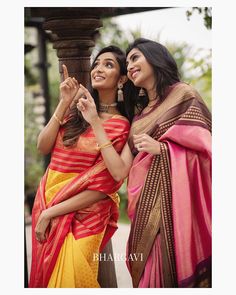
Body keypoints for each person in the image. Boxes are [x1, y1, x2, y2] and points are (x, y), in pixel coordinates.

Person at [78, 38, 211, 288]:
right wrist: (94, 120)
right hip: (144, 212)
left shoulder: (184, 95)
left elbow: (208, 152)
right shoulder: (138, 117)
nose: (130, 65)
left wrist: (163, 149)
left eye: (135, 58)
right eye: (127, 62)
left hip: (176, 211)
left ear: (155, 57)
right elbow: (120, 171)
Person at [29, 46, 133, 288]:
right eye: (97, 64)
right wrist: (64, 103)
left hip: (86, 217)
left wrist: (50, 213)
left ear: (122, 79)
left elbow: (104, 186)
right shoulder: (76, 113)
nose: (98, 69)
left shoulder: (121, 126)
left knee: (73, 280)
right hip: (49, 201)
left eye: (109, 65)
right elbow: (42, 147)